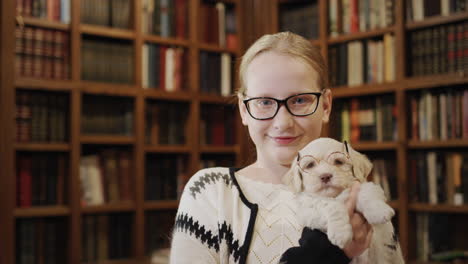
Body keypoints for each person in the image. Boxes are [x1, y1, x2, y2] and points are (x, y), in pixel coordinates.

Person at [169, 32, 373, 264]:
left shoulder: (360, 197)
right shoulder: (210, 192)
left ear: (325, 105)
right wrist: (327, 253)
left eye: (299, 100)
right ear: (244, 110)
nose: (283, 123)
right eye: (265, 102)